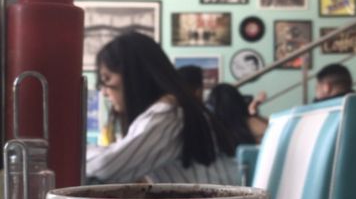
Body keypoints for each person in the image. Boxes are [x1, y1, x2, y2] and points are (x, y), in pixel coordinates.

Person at [86, 32, 241, 185]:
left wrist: (71, 153)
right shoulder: (181, 107)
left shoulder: (168, 114)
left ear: (133, 75)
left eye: (107, 79)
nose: (104, 91)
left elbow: (105, 167)